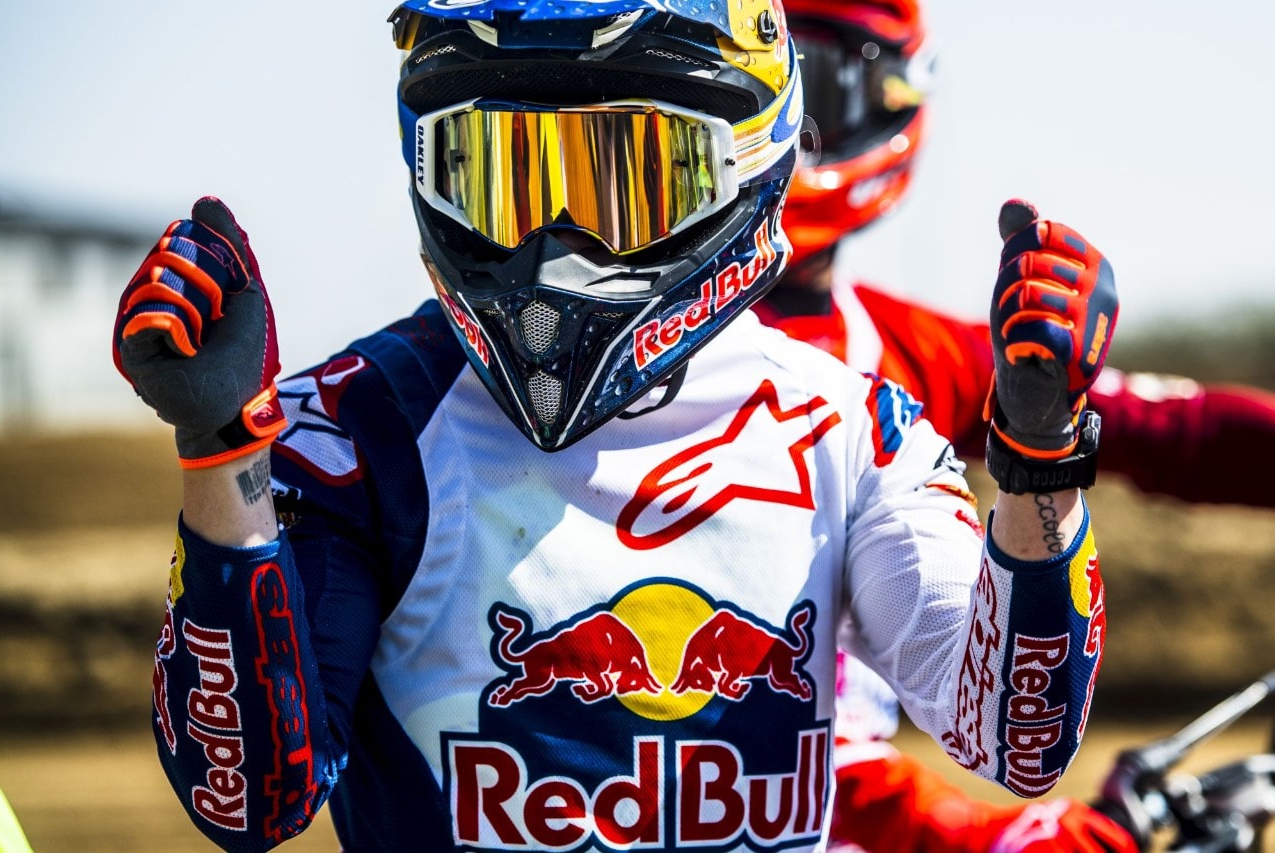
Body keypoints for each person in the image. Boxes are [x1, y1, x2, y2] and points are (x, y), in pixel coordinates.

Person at [111, 0, 1118, 849]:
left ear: (747, 161)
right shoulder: (350, 428)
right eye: (505, 176)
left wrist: (1042, 454)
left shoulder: (850, 428)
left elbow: (1014, 737)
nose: (558, 247)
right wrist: (221, 450)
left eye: (625, 180)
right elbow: (247, 800)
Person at [756, 0, 1256, 849]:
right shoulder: (605, 366)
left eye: (809, 90)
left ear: (887, 100)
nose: (770, 133)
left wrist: (1047, 430)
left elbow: (1179, 430)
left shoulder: (908, 348)